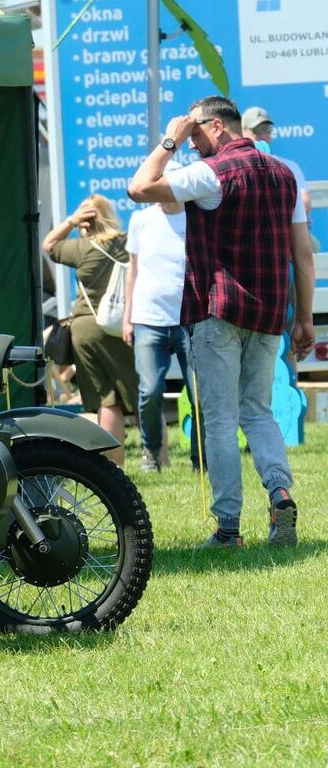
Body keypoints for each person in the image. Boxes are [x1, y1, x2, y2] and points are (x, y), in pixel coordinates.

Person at [128, 96, 315, 549]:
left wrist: (170, 137)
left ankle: (228, 528)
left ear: (215, 127)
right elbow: (303, 253)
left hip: (218, 312)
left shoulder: (211, 173)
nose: (193, 146)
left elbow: (139, 187)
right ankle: (279, 491)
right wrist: (304, 318)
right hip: (270, 314)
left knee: (219, 419)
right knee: (258, 411)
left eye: (197, 135)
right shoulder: (284, 175)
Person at [42, 194, 138, 467]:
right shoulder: (126, 242)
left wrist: (71, 221)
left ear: (86, 221)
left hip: (86, 328)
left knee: (106, 399)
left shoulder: (81, 248)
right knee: (136, 395)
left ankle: (113, 465)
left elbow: (48, 244)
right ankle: (154, 458)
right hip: (122, 326)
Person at [121, 161, 201, 473]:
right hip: (148, 320)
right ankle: (152, 454)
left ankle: (200, 461)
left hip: (190, 321)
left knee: (199, 397)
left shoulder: (196, 219)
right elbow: (133, 271)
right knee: (149, 390)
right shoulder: (141, 219)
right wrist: (128, 318)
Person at [241, 106, 313, 226]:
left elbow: (305, 203)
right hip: (248, 233)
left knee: (313, 245)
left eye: (267, 129)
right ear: (242, 132)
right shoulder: (235, 166)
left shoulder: (290, 166)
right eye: (257, 130)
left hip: (283, 231)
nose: (263, 135)